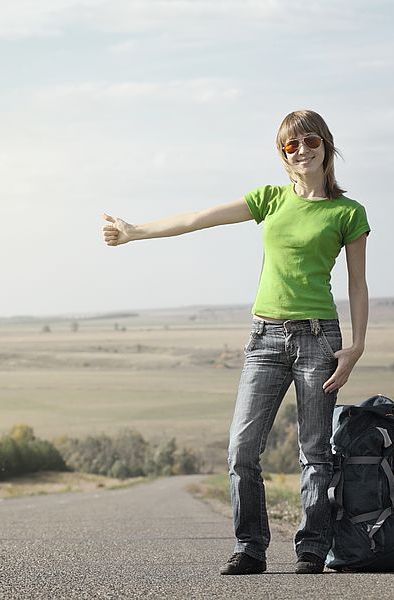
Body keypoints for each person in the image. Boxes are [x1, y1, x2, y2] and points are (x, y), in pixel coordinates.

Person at [101, 109, 370, 575]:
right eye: (291, 146)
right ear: (282, 155)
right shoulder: (270, 199)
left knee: (315, 451)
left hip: (318, 339)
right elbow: (198, 218)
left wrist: (357, 347)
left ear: (327, 146)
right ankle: (250, 547)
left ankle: (311, 548)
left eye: (310, 142)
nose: (302, 151)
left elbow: (358, 285)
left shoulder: (347, 212)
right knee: (242, 449)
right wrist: (135, 232)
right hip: (265, 338)